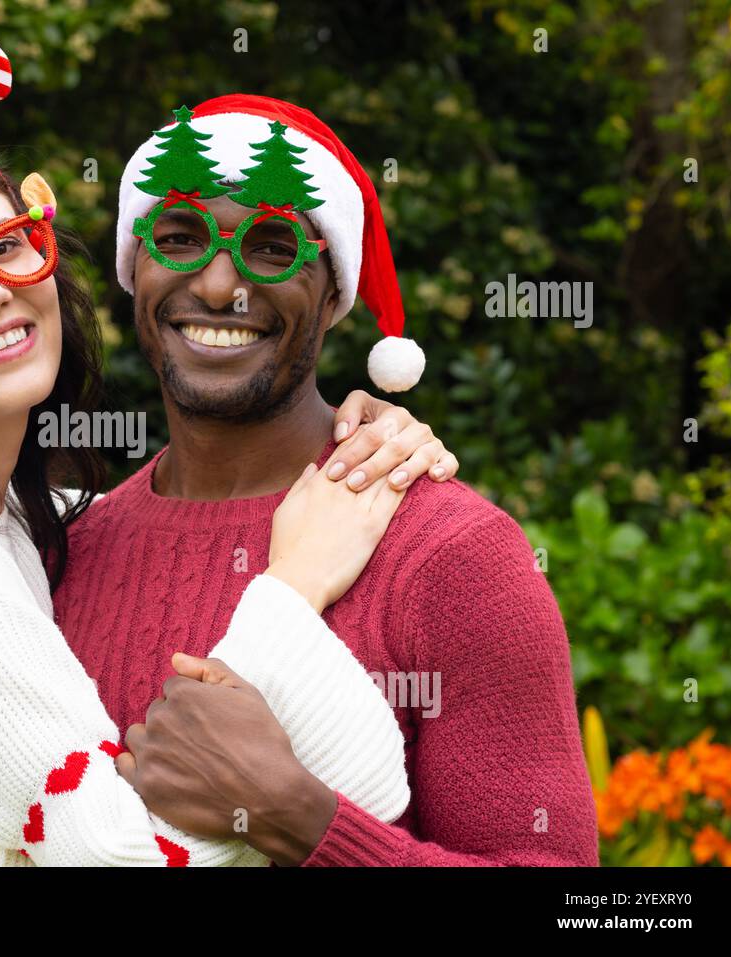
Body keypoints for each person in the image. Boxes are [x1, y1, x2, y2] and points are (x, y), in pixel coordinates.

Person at [0, 56, 461, 865]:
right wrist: (294, 588)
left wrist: (370, 436)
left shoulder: (28, 528)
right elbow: (131, 854)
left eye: (7, 248)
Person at [53, 94, 600, 866]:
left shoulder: (454, 555)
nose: (218, 286)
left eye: (273, 248)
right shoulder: (62, 552)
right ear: (132, 266)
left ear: (333, 292)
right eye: (178, 238)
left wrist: (298, 819)